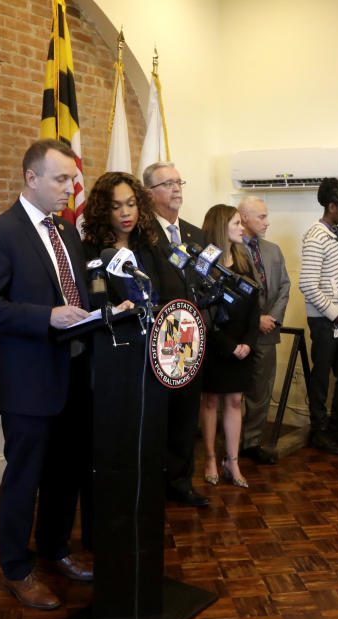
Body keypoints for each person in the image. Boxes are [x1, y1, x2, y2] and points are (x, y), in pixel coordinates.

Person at [0, 139, 102, 610]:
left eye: (72, 179)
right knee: (25, 477)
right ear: (31, 178)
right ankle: (16, 568)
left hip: (74, 375)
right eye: (61, 179)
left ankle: (55, 549)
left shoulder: (68, 234)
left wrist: (110, 308)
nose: (71, 187)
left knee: (66, 474)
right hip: (28, 381)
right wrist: (45, 316)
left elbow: (79, 298)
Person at [143, 161, 210, 507]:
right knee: (160, 414)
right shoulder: (144, 237)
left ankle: (181, 480)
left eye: (178, 181)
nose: (176, 188)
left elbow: (204, 283)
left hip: (192, 337)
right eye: (167, 183)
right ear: (150, 193)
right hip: (159, 339)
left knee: (186, 414)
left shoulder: (195, 234)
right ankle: (155, 483)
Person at [299, 177, 338, 455]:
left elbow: (334, 282)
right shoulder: (316, 236)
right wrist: (337, 315)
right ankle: (319, 431)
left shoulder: (334, 235)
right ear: (332, 206)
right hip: (323, 322)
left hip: (337, 319)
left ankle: (337, 428)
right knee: (321, 378)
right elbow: (308, 285)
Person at [199, 205, 260, 489]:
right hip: (216, 345)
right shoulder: (204, 265)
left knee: (235, 401)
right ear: (221, 226)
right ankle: (210, 458)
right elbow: (203, 314)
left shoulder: (244, 259)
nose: (242, 228)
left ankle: (232, 461)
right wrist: (228, 346)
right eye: (236, 223)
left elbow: (254, 308)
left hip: (242, 344)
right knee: (210, 401)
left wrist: (247, 342)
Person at [238, 196, 290, 465]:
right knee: (234, 392)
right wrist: (255, 319)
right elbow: (231, 292)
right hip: (239, 332)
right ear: (243, 217)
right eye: (262, 217)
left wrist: (272, 318)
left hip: (268, 331)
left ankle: (252, 441)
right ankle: (231, 442)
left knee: (262, 390)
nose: (267, 222)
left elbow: (284, 287)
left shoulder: (273, 250)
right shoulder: (229, 249)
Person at [82, 171, 163, 305]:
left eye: (131, 204)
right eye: (116, 207)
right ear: (103, 210)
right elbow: (93, 304)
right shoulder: (91, 252)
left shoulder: (150, 245)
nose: (125, 213)